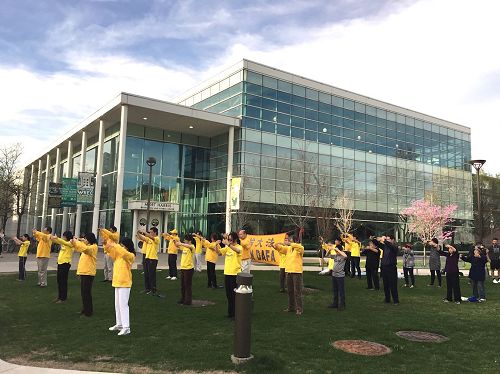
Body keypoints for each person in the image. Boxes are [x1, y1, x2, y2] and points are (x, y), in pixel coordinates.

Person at [105, 237, 135, 336]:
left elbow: (124, 253)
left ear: (127, 246)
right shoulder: (118, 255)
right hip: (117, 282)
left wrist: (116, 245)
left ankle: (126, 327)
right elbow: (110, 251)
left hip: (125, 283)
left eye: (123, 245)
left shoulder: (130, 255)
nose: (121, 246)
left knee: (123, 305)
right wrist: (107, 244)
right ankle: (119, 324)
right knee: (117, 305)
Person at [271, 235, 305, 315]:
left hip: (297, 272)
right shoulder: (288, 248)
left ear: (295, 241)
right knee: (290, 291)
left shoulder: (300, 248)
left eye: (290, 240)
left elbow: (299, 247)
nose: (288, 241)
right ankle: (291, 307)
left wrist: (289, 243)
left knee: (297, 291)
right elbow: (281, 248)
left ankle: (299, 309)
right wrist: (274, 245)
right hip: (288, 271)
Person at [71, 232, 98, 317]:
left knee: (86, 293)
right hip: (83, 272)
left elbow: (85, 249)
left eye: (86, 239)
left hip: (88, 273)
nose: (84, 240)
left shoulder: (93, 247)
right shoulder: (87, 246)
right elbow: (80, 248)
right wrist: (74, 243)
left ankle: (88, 312)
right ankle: (85, 309)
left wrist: (77, 241)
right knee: (83, 293)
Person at [218, 232, 242, 318]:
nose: (229, 241)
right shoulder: (228, 248)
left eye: (231, 239)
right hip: (227, 273)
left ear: (235, 239)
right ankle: (230, 313)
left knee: (234, 295)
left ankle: (236, 313)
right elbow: (219, 252)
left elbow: (238, 251)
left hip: (235, 274)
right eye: (228, 239)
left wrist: (228, 244)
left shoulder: (239, 247)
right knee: (228, 295)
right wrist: (217, 245)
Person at [50, 231, 74, 303]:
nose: (63, 237)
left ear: (67, 236)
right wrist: (51, 237)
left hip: (65, 263)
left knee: (63, 281)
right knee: (59, 281)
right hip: (60, 263)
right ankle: (60, 296)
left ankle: (63, 298)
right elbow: (56, 240)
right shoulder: (63, 242)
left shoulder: (71, 243)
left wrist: (58, 238)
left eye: (64, 236)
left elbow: (64, 243)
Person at [375, 235, 399, 305]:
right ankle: (387, 299)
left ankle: (396, 300)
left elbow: (389, 245)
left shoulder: (394, 247)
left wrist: (384, 240)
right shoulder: (385, 247)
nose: (387, 241)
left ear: (393, 240)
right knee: (385, 285)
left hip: (391, 268)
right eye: (387, 239)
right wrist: (375, 239)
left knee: (393, 285)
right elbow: (378, 244)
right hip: (384, 267)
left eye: (388, 239)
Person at [136, 227, 160, 295]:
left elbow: (151, 237)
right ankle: (147, 288)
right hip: (147, 258)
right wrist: (138, 233)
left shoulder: (157, 239)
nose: (150, 233)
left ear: (155, 232)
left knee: (151, 275)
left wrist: (145, 232)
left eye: (151, 232)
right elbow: (143, 238)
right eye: (150, 232)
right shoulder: (149, 239)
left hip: (153, 259)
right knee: (146, 274)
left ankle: (153, 289)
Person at [174, 234, 195, 305]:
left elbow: (188, 246)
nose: (184, 240)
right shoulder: (184, 247)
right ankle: (183, 299)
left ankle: (188, 300)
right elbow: (178, 246)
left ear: (189, 240)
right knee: (182, 285)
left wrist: (180, 243)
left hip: (189, 269)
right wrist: (175, 241)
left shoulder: (192, 246)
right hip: (183, 268)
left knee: (187, 285)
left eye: (185, 239)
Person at [329, 239, 348, 311]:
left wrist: (338, 250)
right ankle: (335, 303)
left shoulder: (343, 256)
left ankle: (342, 304)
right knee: (335, 290)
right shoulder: (336, 255)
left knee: (341, 290)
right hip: (334, 275)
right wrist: (330, 249)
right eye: (336, 251)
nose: (336, 252)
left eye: (337, 251)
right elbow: (327, 255)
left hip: (340, 276)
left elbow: (345, 255)